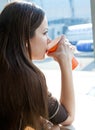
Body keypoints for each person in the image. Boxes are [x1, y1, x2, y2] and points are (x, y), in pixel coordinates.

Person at [0, 1, 75, 130]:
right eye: (45, 33)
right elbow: (67, 117)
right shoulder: (26, 78)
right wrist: (65, 63)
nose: (49, 40)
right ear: (25, 39)